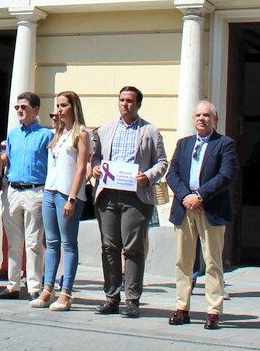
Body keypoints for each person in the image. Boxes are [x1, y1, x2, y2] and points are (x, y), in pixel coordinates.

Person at [91, 86, 168, 318]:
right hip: (108, 195)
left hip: (136, 196)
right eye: (122, 100)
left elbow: (162, 162)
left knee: (133, 248)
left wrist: (148, 176)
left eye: (130, 101)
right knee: (109, 247)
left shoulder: (150, 131)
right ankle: (111, 297)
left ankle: (132, 299)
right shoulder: (104, 130)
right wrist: (94, 167)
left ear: (138, 104)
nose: (125, 104)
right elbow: (95, 157)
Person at [166, 100, 238, 330]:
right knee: (183, 261)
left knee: (213, 262)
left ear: (214, 120)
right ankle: (181, 308)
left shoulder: (225, 143)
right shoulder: (184, 143)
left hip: (211, 209)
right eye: (198, 115)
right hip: (184, 209)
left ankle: (213, 311)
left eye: (207, 115)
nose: (202, 119)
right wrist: (186, 196)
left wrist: (200, 196)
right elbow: (172, 173)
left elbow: (227, 174)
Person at [0, 92, 52, 301]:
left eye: (24, 107)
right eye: (17, 107)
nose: (19, 110)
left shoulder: (47, 135)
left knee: (34, 241)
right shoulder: (13, 134)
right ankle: (13, 285)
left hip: (36, 190)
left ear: (35, 110)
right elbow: (8, 161)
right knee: (14, 241)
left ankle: (35, 286)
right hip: (13, 190)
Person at [38, 91, 92, 311]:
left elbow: (81, 168)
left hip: (67, 194)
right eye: (57, 106)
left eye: (63, 106)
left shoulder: (82, 134)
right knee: (51, 243)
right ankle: (47, 288)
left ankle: (66, 292)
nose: (58, 110)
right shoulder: (57, 133)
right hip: (50, 191)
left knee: (68, 243)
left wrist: (72, 197)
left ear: (73, 108)